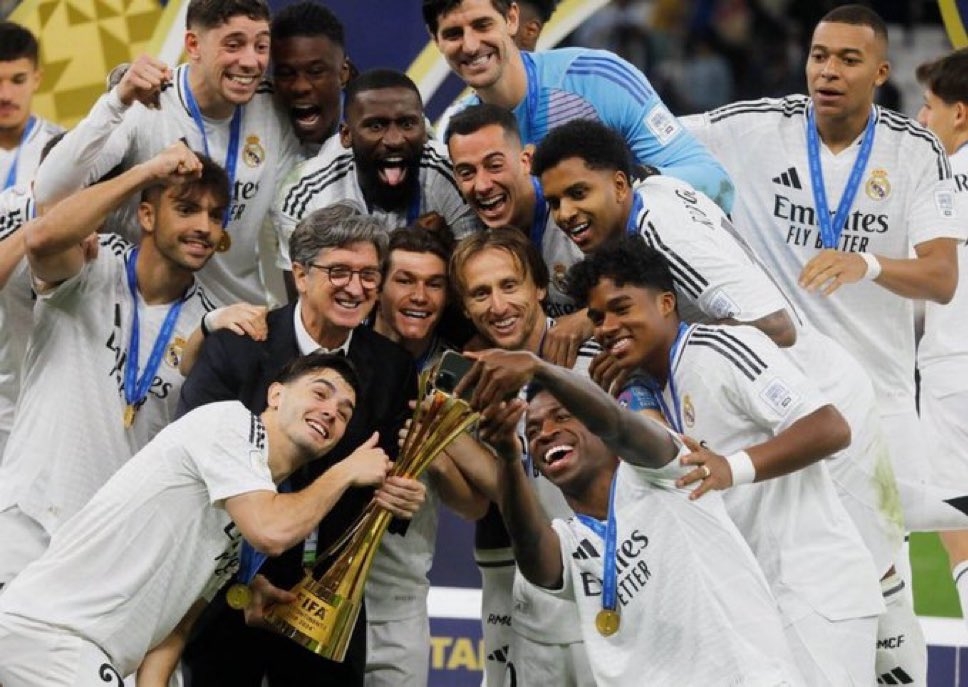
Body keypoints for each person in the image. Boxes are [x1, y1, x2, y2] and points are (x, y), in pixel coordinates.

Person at [531, 117, 927, 679]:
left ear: (620, 184)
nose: (566, 213)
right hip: (760, 410)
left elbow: (776, 326)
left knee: (873, 589)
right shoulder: (653, 203)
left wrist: (651, 341)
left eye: (578, 193)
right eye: (554, 202)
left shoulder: (665, 238)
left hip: (809, 393)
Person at [684, 11, 967, 682]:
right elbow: (651, 133)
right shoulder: (753, 126)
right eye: (818, 56)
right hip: (779, 396)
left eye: (847, 59)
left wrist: (865, 263)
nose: (828, 72)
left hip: (881, 397)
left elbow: (941, 278)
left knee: (885, 579)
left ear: (881, 73)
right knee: (778, 578)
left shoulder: (914, 149)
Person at [565, 235, 884, 685]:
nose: (608, 326)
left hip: (812, 588)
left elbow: (829, 427)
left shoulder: (720, 348)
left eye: (622, 308)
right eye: (597, 318)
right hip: (750, 600)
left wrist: (729, 468)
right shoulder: (648, 389)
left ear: (667, 303)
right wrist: (632, 394)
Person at [0, 353, 425, 686]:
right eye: (320, 393)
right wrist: (345, 472)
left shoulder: (248, 500)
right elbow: (272, 531)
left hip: (74, 649)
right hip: (55, 636)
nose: (331, 411)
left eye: (345, 412)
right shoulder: (230, 425)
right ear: (276, 395)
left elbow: (174, 630)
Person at [449, 349, 802, 686]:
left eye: (563, 416)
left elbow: (617, 424)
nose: (546, 433)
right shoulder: (572, 542)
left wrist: (538, 367)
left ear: (596, 426)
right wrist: (509, 457)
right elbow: (532, 554)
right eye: (533, 430)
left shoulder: (665, 472)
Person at [178, 205, 417, 687]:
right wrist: (244, 577)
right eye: (339, 271)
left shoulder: (393, 368)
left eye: (369, 275)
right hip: (225, 593)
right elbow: (193, 470)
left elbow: (384, 475)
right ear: (301, 274)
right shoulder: (237, 347)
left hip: (325, 603)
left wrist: (400, 495)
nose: (356, 288)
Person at [0, 143, 227, 589]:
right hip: (24, 526)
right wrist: (146, 172)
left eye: (216, 216)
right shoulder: (93, 262)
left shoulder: (210, 327)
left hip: (106, 552)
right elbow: (41, 239)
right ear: (146, 215)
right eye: (186, 209)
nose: (204, 227)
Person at [32, 0, 303, 307]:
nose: (251, 61)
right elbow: (48, 190)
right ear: (193, 45)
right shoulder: (147, 100)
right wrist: (116, 100)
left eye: (261, 46)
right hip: (137, 308)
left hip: (234, 313)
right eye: (233, 45)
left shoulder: (274, 108)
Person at [447, 229, 598, 687]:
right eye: (480, 293)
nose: (498, 306)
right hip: (540, 605)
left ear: (540, 288)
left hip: (619, 590)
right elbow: (506, 491)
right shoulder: (474, 384)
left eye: (509, 286)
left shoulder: (599, 359)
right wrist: (443, 430)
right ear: (465, 308)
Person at [422, 0, 735, 212]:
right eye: (453, 34)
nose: (470, 45)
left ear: (512, 18)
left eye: (482, 25)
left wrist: (628, 185)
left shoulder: (597, 78)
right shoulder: (456, 131)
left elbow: (716, 184)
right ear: (436, 41)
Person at [364, 217, 488, 687]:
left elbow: (472, 506)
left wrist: (431, 452)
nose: (420, 296)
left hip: (400, 599)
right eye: (405, 280)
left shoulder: (459, 375)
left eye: (434, 284)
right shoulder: (337, 350)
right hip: (312, 581)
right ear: (378, 286)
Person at [273, 68, 479, 299]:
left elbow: (470, 289)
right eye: (376, 126)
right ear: (346, 135)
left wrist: (444, 248)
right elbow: (304, 303)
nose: (394, 140)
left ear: (423, 129)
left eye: (407, 124)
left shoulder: (453, 176)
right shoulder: (306, 193)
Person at [915, 48, 968, 631]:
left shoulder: (937, 181)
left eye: (929, 107)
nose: (921, 119)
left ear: (960, 113)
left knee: (955, 508)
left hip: (956, 365)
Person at [0, 23, 63, 459]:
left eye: (17, 79)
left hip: (34, 339)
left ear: (37, 77)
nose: (5, 94)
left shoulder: (60, 154)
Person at [270, 1, 350, 155]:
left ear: (343, 74)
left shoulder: (367, 142)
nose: (300, 87)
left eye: (316, 71)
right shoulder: (259, 129)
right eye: (286, 73)